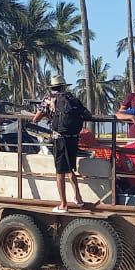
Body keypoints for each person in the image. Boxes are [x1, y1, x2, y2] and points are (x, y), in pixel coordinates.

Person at [30, 75, 88, 213]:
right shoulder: (71, 98)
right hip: (73, 137)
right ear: (64, 86)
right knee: (70, 168)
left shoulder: (48, 99)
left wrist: (48, 115)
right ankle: (78, 198)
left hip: (59, 138)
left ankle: (63, 204)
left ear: (52, 87)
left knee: (59, 172)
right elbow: (86, 114)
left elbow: (35, 119)